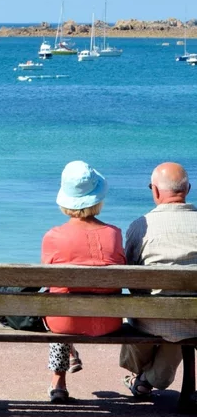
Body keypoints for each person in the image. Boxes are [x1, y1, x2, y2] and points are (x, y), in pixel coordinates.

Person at [42, 161, 126, 402]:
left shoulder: (53, 236)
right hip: (109, 322)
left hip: (65, 324)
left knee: (55, 300)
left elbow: (50, 281)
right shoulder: (114, 234)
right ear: (98, 199)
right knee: (61, 299)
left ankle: (58, 382)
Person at [120, 162, 197, 399]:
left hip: (152, 318)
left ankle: (143, 378)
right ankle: (148, 379)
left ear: (154, 191)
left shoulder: (140, 226)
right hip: (195, 318)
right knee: (180, 325)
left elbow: (132, 278)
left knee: (148, 315)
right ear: (188, 189)